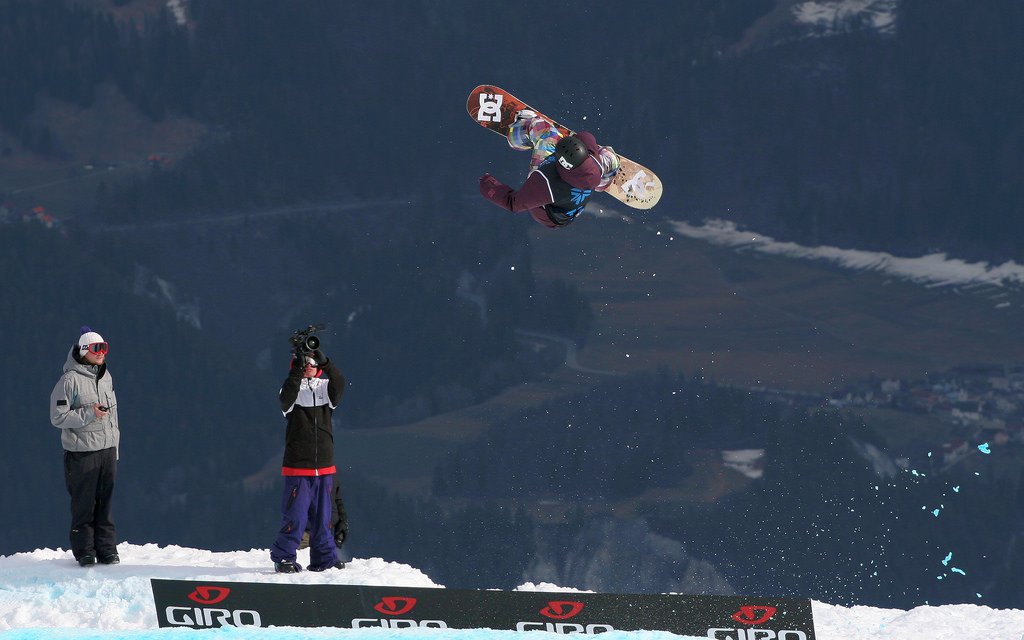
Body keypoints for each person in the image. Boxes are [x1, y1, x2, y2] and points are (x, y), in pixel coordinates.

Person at [270, 348, 346, 573]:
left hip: (324, 466)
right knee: (296, 515)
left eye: (314, 361)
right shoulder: (291, 389)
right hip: (298, 467)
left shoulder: (325, 388)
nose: (310, 364)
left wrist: (327, 362)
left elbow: (339, 383)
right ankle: (284, 557)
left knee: (324, 519)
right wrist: (296, 372)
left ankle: (325, 559)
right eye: (305, 362)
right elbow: (286, 399)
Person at [49, 327, 120, 567]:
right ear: (84, 351)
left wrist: (115, 449)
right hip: (82, 452)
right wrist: (89, 414)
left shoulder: (106, 375)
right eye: (97, 349)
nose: (101, 353)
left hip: (108, 449)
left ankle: (107, 550)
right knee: (84, 504)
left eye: (104, 348)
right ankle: (85, 552)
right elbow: (57, 417)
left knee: (105, 502)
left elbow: (114, 416)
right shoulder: (69, 380)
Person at [478, 111, 620, 228]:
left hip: (546, 213)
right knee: (608, 156)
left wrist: (487, 184)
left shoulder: (545, 181)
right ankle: (604, 180)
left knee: (544, 131)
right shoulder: (591, 151)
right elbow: (584, 137)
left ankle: (517, 132)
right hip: (570, 204)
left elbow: (514, 203)